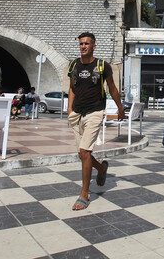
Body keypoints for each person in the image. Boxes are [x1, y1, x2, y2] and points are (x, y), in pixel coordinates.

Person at [67, 32, 124, 211]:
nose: (83, 46)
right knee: (82, 154)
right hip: (77, 113)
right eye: (81, 44)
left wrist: (120, 108)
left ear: (93, 46)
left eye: (86, 44)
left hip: (95, 112)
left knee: (85, 151)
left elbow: (112, 88)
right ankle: (100, 168)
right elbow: (72, 88)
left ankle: (84, 194)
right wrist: (69, 109)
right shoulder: (74, 65)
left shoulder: (102, 66)